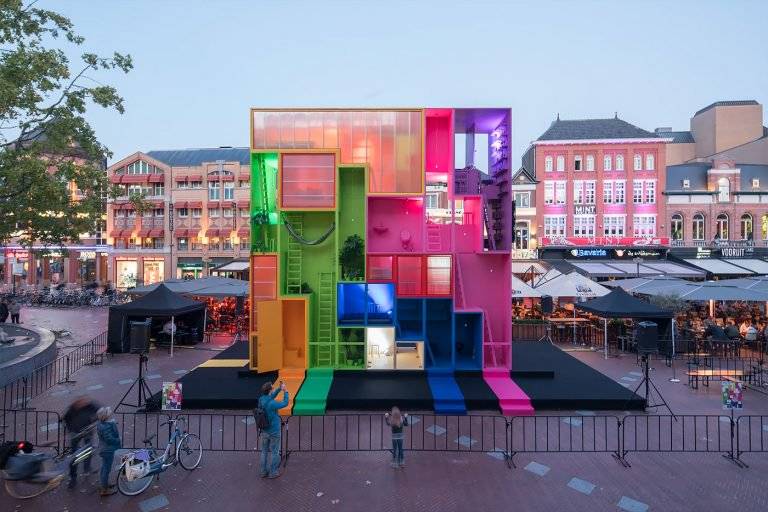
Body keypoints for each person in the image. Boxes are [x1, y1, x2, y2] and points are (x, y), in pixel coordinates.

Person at [62, 397, 98, 488]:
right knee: (74, 456)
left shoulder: (90, 405)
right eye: (80, 403)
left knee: (88, 451)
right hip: (75, 434)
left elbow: (100, 411)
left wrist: (93, 421)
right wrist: (71, 430)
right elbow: (65, 419)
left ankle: (87, 468)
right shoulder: (71, 409)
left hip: (87, 432)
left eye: (84, 402)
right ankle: (73, 478)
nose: (82, 404)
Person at [258, 381, 289, 479]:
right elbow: (285, 403)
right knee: (275, 452)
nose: (273, 388)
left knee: (264, 452)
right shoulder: (272, 403)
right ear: (270, 390)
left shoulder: (261, 399)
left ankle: (263, 472)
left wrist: (279, 389)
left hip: (264, 429)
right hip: (274, 430)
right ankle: (273, 472)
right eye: (273, 388)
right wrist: (285, 391)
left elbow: (271, 397)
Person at [96, 407, 120, 496]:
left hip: (103, 449)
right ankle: (104, 489)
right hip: (107, 450)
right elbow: (109, 439)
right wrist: (117, 440)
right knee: (107, 469)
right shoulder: (106, 427)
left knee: (104, 467)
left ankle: (104, 483)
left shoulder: (100, 424)